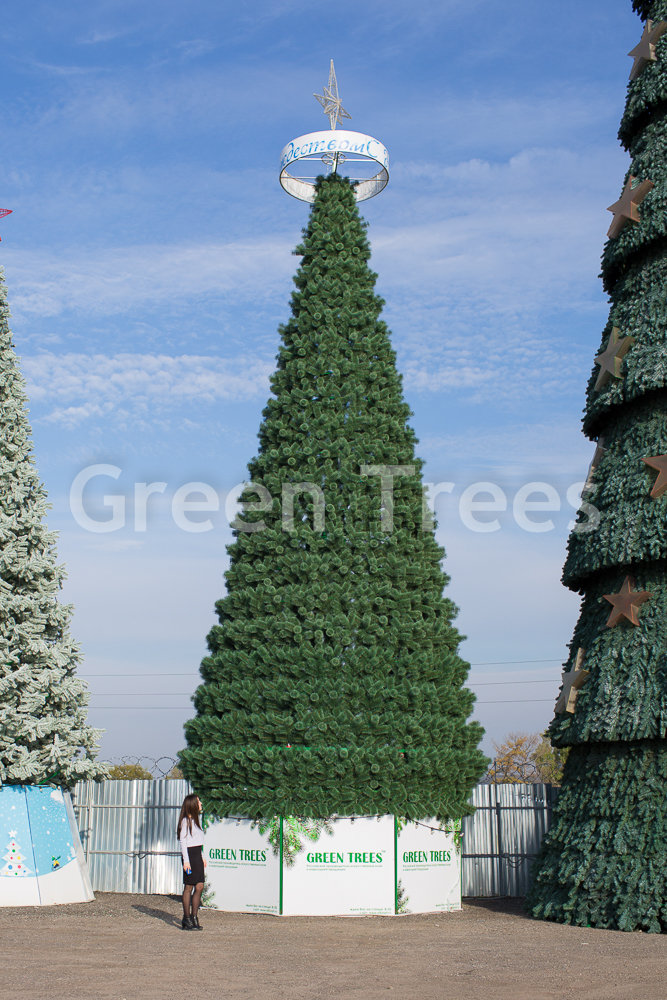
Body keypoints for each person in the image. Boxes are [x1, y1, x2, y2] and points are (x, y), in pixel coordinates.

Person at [176, 793, 206, 930]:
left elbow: (198, 841)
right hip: (189, 856)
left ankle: (194, 916)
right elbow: (183, 842)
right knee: (189, 886)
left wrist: (202, 856)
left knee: (199, 886)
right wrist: (186, 861)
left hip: (197, 855)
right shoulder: (185, 821)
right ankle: (187, 918)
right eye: (198, 802)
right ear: (193, 804)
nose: (200, 804)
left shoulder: (196, 820)